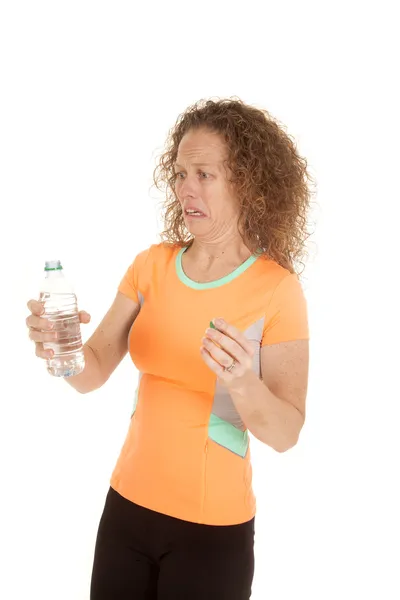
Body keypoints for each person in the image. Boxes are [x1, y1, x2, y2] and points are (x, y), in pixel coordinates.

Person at [26, 98, 312, 599]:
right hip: (126, 509)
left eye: (204, 174)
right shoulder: (152, 266)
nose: (185, 188)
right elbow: (90, 371)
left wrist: (243, 382)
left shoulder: (276, 290)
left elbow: (286, 432)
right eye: (180, 173)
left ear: (248, 183)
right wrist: (59, 350)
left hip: (211, 528)